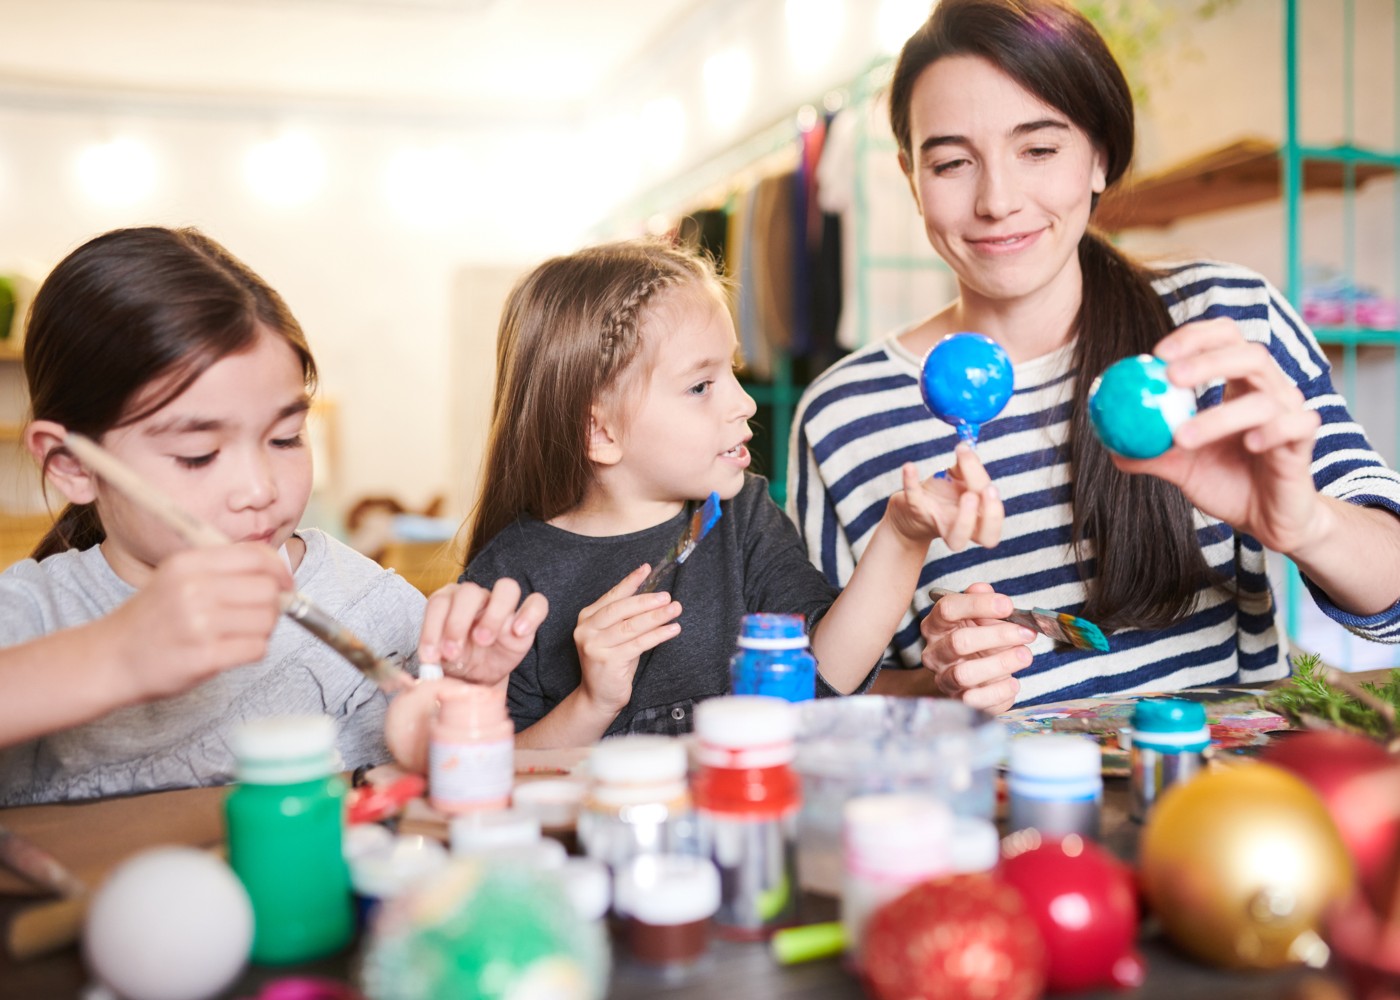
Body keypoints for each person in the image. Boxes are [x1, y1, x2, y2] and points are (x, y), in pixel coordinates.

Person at [789, 0, 1400, 714]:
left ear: (1099, 158)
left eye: (1039, 150)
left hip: (1226, 806)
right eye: (953, 162)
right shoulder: (843, 414)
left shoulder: (1222, 328)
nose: (997, 200)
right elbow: (816, 690)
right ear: (911, 177)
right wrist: (941, 681)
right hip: (990, 816)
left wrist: (1307, 524)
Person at [0, 226, 533, 806]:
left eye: (285, 438)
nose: (259, 489)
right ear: (73, 465)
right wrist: (114, 655)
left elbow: (420, 775)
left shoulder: (368, 607)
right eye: (198, 455)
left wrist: (462, 707)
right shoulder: (30, 615)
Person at [454, 238, 993, 746]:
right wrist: (592, 702)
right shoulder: (506, 582)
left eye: (731, 371)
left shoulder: (743, 517)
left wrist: (902, 534)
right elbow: (492, 768)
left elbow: (825, 672)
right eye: (700, 386)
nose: (745, 404)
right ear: (600, 432)